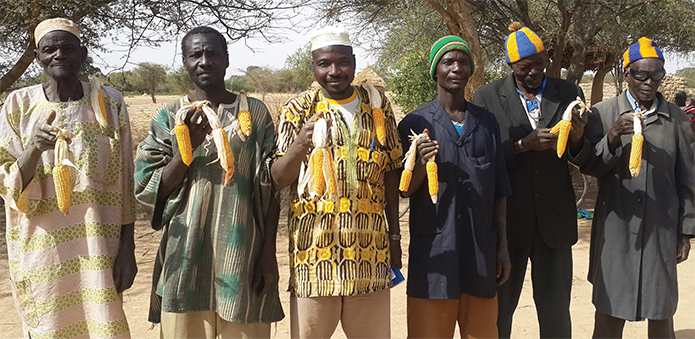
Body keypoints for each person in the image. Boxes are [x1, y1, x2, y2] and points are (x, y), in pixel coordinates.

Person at [134, 26, 283, 338]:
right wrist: (184, 152)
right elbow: (151, 188)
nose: (205, 61)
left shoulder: (253, 112)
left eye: (213, 53)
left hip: (243, 254)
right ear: (185, 62)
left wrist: (268, 253)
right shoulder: (169, 116)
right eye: (195, 55)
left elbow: (270, 187)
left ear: (226, 60)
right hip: (184, 256)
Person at [0, 18, 137, 339]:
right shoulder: (18, 105)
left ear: (83, 53)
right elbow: (6, 181)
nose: (59, 55)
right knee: (50, 329)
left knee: (104, 327)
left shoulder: (110, 102)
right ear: (38, 56)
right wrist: (33, 148)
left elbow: (126, 180)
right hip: (42, 249)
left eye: (68, 48)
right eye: (50, 49)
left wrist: (128, 249)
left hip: (100, 248)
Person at [271, 26, 403, 338]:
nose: (334, 71)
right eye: (324, 64)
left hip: (369, 254)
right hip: (314, 257)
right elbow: (278, 178)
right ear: (314, 67)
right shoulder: (299, 109)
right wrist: (301, 143)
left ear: (354, 63)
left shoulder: (377, 106)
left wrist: (394, 237)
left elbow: (392, 170)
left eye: (342, 62)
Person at [472, 22, 587, 339]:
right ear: (511, 66)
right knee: (499, 310)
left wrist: (576, 135)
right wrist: (522, 147)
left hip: (555, 220)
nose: (534, 72)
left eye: (540, 63)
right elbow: (480, 158)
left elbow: (581, 154)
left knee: (555, 310)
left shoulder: (568, 93)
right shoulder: (487, 98)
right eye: (525, 68)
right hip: (507, 223)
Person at [578, 37, 694, 339]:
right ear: (627, 72)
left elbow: (688, 179)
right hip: (616, 228)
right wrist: (613, 136)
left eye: (657, 75)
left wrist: (684, 231)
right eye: (641, 74)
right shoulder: (603, 114)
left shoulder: (677, 120)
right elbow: (589, 165)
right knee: (609, 314)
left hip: (661, 229)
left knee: (661, 311)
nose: (649, 81)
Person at [398, 36, 512, 339]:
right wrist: (420, 165)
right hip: (434, 254)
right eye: (448, 61)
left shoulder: (487, 123)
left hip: (480, 253)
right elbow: (404, 190)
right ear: (436, 70)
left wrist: (501, 246)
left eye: (463, 62)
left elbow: (499, 189)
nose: (456, 68)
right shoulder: (415, 123)